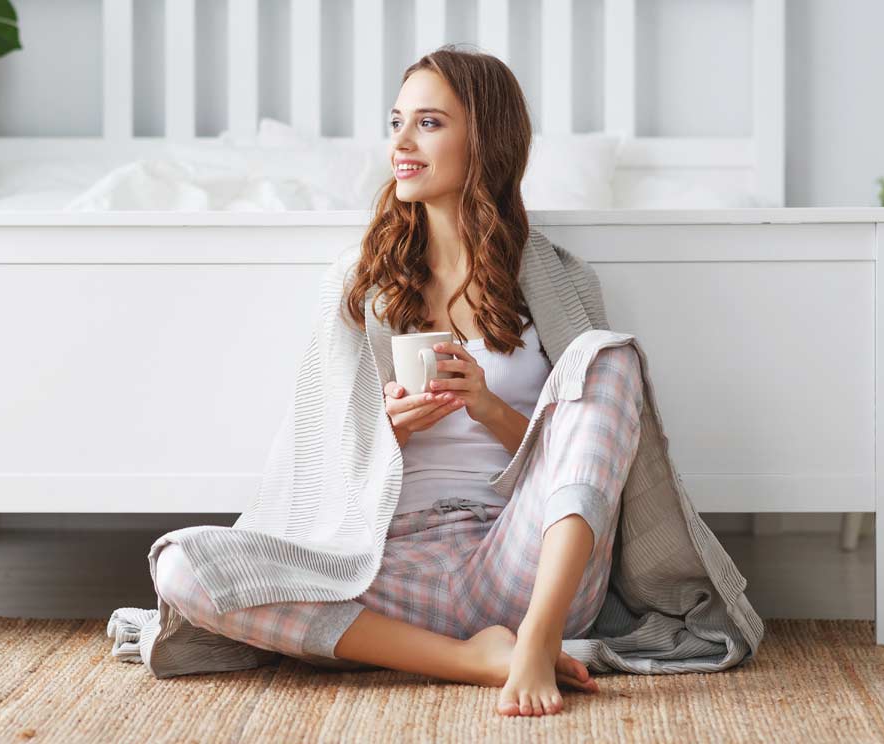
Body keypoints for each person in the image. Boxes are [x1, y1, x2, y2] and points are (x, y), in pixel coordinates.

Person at [151, 46, 649, 718]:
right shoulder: (359, 283)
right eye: (396, 123)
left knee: (609, 357)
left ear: (486, 137)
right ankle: (476, 660)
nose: (401, 144)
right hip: (386, 565)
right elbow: (312, 461)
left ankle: (536, 637)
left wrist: (487, 406)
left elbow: (585, 451)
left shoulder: (563, 282)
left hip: (521, 560)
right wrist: (381, 431)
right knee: (185, 566)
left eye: (429, 124)